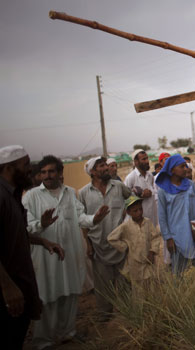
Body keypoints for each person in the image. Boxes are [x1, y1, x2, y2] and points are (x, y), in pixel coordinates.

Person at [23, 155, 109, 349]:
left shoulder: (70, 192)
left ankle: (67, 333)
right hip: (46, 257)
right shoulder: (31, 196)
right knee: (47, 297)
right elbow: (26, 227)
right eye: (43, 172)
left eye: (51, 171)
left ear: (60, 173)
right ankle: (43, 341)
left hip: (70, 253)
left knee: (70, 293)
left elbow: (80, 217)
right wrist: (41, 224)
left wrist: (94, 219)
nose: (47, 175)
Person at [0, 145, 64, 348]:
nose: (32, 170)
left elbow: (14, 233)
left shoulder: (13, 194)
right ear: (10, 167)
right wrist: (8, 287)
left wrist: (43, 241)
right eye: (26, 164)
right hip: (8, 289)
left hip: (20, 281)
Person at [78, 157, 131, 320]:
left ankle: (128, 314)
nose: (106, 168)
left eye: (106, 165)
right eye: (101, 166)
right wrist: (88, 244)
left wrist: (126, 211)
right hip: (98, 245)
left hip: (120, 243)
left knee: (124, 282)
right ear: (93, 172)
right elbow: (82, 220)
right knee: (103, 285)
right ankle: (105, 316)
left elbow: (131, 199)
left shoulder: (118, 186)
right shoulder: (83, 193)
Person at [156, 154, 195, 275]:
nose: (186, 169)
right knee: (181, 273)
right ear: (172, 170)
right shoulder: (163, 192)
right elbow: (162, 217)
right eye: (182, 166)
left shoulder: (191, 185)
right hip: (177, 238)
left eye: (185, 166)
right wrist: (168, 239)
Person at [107, 196, 162, 289]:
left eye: (140, 209)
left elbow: (155, 238)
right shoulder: (126, 226)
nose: (139, 212)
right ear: (128, 212)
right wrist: (125, 246)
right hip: (134, 262)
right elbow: (111, 238)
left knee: (151, 286)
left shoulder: (148, 222)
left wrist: (152, 252)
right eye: (135, 211)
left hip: (148, 261)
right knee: (137, 289)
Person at [124, 150, 158, 227]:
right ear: (136, 162)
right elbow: (125, 199)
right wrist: (140, 195)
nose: (147, 161)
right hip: (138, 222)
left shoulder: (150, 176)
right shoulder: (130, 178)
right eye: (143, 159)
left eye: (147, 158)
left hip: (151, 219)